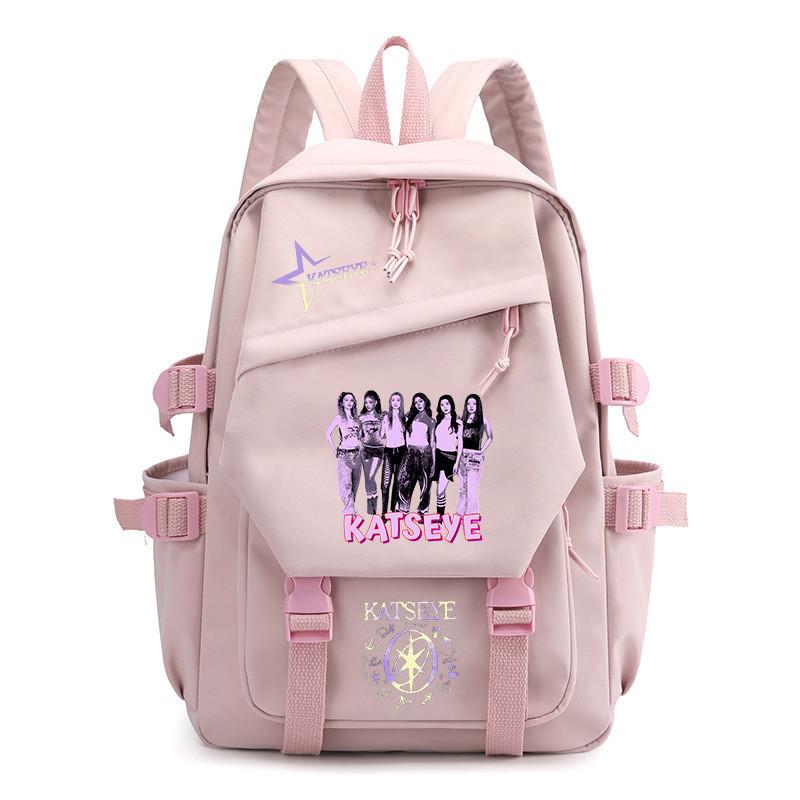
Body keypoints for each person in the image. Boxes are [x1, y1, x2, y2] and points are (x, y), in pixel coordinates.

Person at [397, 392, 436, 514]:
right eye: (415, 402)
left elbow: (433, 442)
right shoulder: (410, 416)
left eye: (420, 401)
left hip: (425, 453)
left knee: (424, 483)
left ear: (425, 402)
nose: (418, 404)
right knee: (404, 481)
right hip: (411, 452)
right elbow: (401, 425)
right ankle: (403, 509)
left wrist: (434, 463)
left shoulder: (430, 421)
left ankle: (423, 511)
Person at [456, 394, 493, 515]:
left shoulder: (483, 420)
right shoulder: (462, 421)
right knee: (462, 490)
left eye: (474, 403)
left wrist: (482, 450)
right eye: (468, 404)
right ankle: (460, 516)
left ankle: (471, 518)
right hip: (462, 456)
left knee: (471, 491)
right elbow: (459, 442)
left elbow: (490, 437)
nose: (471, 406)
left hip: (474, 458)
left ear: (478, 405)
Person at [325, 391, 361, 515]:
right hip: (344, 454)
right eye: (346, 400)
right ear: (342, 403)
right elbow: (328, 433)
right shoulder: (339, 418)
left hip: (357, 454)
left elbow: (361, 436)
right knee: (346, 485)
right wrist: (334, 450)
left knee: (355, 485)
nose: (349, 402)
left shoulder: (357, 419)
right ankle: (350, 513)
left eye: (351, 400)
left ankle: (350, 511)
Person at [433, 394, 463, 515]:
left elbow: (460, 444)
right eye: (442, 404)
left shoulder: (458, 422)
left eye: (447, 404)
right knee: (438, 491)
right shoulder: (438, 421)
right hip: (437, 456)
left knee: (440, 491)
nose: (445, 407)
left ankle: (439, 517)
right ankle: (439, 517)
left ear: (451, 405)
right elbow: (435, 441)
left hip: (449, 457)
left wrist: (457, 463)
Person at [380, 392, 407, 514]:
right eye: (393, 400)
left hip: (402, 451)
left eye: (398, 400)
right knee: (385, 484)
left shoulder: (404, 418)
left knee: (398, 481)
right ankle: (384, 513)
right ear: (390, 402)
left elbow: (408, 436)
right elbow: (381, 435)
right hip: (389, 452)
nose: (395, 402)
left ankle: (393, 509)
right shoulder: (386, 417)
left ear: (401, 403)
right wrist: (381, 423)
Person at [358, 390, 384, 515]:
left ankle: (374, 500)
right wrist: (363, 439)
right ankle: (370, 503)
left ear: (376, 402)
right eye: (366, 402)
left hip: (378, 449)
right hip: (366, 449)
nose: (368, 405)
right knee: (367, 477)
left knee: (371, 476)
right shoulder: (361, 417)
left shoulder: (381, 416)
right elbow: (359, 434)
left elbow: (384, 434)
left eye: (370, 402)